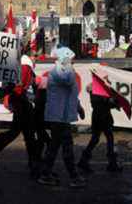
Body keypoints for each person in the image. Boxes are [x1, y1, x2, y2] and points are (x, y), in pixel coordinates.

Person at [37, 47, 86, 188]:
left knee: (55, 146)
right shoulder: (58, 73)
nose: (73, 62)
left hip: (61, 116)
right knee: (66, 147)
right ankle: (73, 176)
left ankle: (46, 174)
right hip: (58, 116)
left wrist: (78, 107)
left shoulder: (63, 72)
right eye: (71, 59)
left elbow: (70, 93)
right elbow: (69, 82)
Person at [0, 55, 40, 177]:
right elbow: (20, 86)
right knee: (26, 134)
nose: (36, 59)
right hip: (21, 103)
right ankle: (34, 163)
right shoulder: (25, 67)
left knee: (18, 133)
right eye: (35, 57)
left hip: (20, 102)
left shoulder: (23, 66)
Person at [78, 70, 123, 174]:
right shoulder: (96, 90)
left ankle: (84, 161)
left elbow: (104, 103)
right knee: (104, 139)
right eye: (105, 78)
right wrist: (112, 102)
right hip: (102, 117)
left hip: (100, 116)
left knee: (98, 139)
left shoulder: (99, 89)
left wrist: (114, 103)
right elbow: (100, 103)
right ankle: (111, 164)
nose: (107, 80)